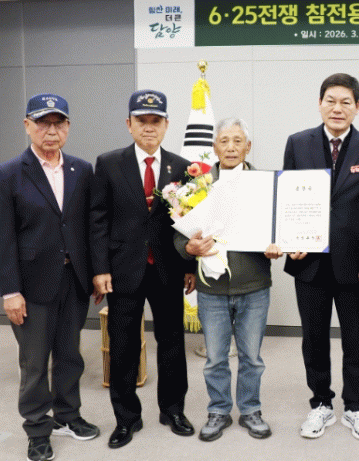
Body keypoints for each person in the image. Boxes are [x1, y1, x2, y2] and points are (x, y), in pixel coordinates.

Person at [283, 73, 359, 441]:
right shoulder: (298, 143)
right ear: (319, 103)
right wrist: (290, 239)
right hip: (308, 261)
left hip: (355, 264)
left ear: (357, 107)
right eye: (330, 100)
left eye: (346, 102)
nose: (337, 108)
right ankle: (321, 403)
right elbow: (289, 198)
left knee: (355, 338)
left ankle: (356, 406)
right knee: (313, 338)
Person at [91, 90, 196, 449]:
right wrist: (100, 269)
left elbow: (187, 223)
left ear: (166, 125)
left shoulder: (182, 168)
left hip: (167, 269)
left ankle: (173, 410)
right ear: (129, 124)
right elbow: (98, 220)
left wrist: (189, 266)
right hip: (123, 270)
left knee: (172, 342)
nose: (149, 128)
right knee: (123, 345)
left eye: (156, 121)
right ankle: (126, 418)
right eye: (142, 121)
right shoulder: (108, 163)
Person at [0, 94, 100, 461]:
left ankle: (68, 416)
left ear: (68, 127)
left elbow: (90, 227)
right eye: (43, 123)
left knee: (70, 355)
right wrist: (10, 291)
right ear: (27, 125)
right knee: (34, 361)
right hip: (31, 285)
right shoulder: (9, 173)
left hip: (74, 281)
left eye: (59, 123)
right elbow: (3, 237)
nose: (51, 131)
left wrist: (96, 273)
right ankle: (38, 429)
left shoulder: (81, 170)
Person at [174, 117, 282, 442]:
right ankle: (219, 410)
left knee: (252, 358)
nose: (231, 147)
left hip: (254, 286)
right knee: (215, 359)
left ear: (248, 147)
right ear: (214, 147)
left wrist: (279, 244)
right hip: (212, 289)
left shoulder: (267, 185)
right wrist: (188, 248)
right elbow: (179, 235)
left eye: (238, 141)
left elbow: (279, 227)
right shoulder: (198, 186)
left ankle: (250, 410)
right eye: (224, 141)